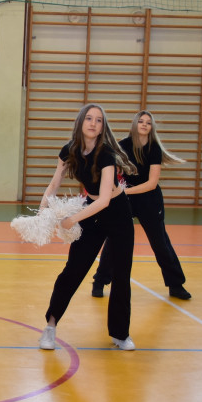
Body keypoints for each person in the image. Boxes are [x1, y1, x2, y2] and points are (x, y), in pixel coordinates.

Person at [38, 103, 139, 352]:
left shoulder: (106, 155)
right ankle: (50, 327)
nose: (94, 123)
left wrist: (71, 220)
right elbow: (53, 186)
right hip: (91, 213)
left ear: (103, 127)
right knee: (72, 271)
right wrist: (42, 211)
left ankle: (120, 334)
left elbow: (105, 200)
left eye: (99, 120)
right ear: (81, 122)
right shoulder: (69, 151)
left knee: (121, 275)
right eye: (89, 119)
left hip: (117, 213)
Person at [91, 111, 191, 300]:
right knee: (114, 241)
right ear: (135, 124)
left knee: (160, 243)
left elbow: (151, 183)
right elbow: (110, 172)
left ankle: (176, 285)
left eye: (148, 122)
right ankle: (99, 281)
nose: (144, 125)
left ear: (151, 127)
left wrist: (122, 192)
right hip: (126, 199)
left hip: (149, 200)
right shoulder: (123, 146)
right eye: (141, 121)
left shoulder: (154, 149)